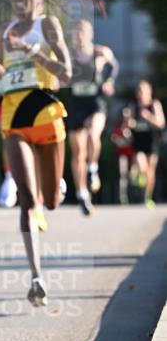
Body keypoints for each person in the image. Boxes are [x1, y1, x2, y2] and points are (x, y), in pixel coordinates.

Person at [0, 0, 105, 307]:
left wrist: (33, 52)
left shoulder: (46, 26)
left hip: (47, 118)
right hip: (14, 120)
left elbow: (65, 72)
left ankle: (59, 187)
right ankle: (36, 276)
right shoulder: (5, 31)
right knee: (27, 199)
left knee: (50, 201)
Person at [66, 19, 118, 216]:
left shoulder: (100, 52)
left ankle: (93, 169)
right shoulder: (68, 56)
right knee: (77, 153)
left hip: (95, 104)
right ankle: (82, 193)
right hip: (76, 105)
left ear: (90, 34)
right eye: (76, 31)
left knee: (92, 135)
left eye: (83, 31)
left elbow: (114, 64)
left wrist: (109, 81)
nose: (79, 35)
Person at [128, 81, 165, 208]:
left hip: (152, 142)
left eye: (143, 91)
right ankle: (139, 175)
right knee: (140, 162)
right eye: (138, 91)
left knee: (150, 171)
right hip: (138, 142)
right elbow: (128, 123)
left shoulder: (154, 105)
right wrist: (130, 123)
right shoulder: (134, 106)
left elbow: (161, 123)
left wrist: (149, 117)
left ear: (149, 92)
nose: (140, 94)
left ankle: (147, 196)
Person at [110, 106, 134, 205]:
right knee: (122, 174)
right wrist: (124, 141)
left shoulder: (132, 126)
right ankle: (122, 196)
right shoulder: (118, 127)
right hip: (122, 154)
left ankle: (136, 196)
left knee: (132, 176)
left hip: (132, 155)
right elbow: (115, 139)